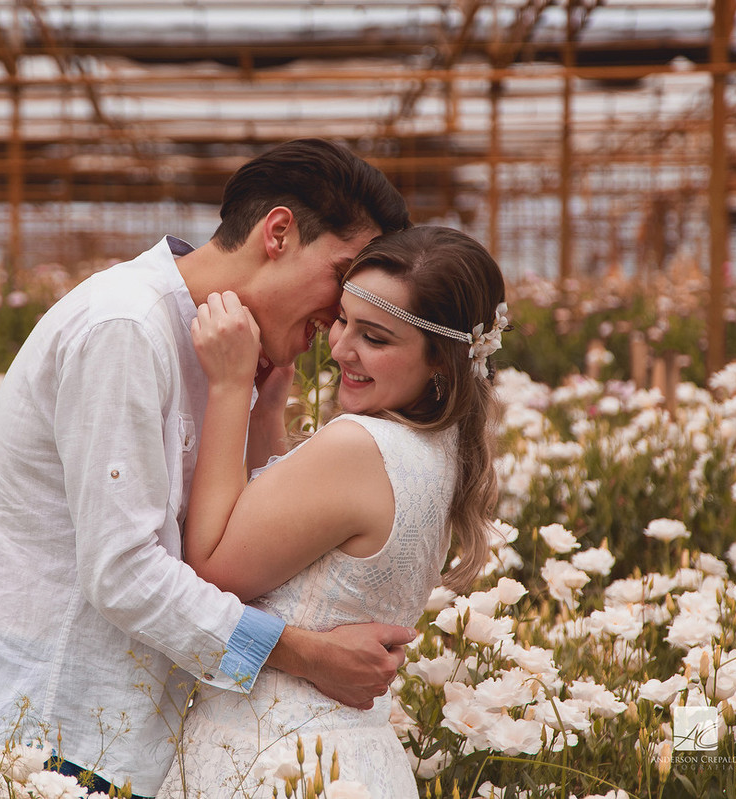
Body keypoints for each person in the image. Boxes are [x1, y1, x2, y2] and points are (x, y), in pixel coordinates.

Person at [0, 138, 416, 797]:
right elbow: (123, 572)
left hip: (126, 742)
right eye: (342, 274)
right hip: (44, 739)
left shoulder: (226, 350)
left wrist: (262, 406)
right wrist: (307, 655)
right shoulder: (126, 326)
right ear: (278, 232)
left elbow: (241, 551)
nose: (342, 315)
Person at [157, 225, 507, 799]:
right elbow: (292, 536)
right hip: (353, 757)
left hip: (277, 761)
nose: (341, 347)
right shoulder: (440, 450)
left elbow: (213, 568)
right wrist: (267, 413)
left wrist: (229, 386)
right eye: (342, 320)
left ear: (441, 361)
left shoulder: (359, 446)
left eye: (375, 337)